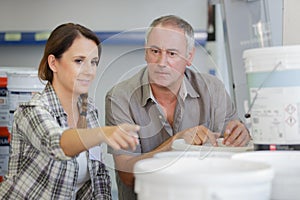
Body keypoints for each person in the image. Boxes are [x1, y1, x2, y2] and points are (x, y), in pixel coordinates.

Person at [105, 15, 251, 199]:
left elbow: (236, 154)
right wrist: (176, 144)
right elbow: (126, 174)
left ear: (189, 57)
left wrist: (241, 135)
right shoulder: (119, 97)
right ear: (145, 52)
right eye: (155, 51)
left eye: (172, 54)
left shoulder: (213, 90)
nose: (161, 63)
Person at [0, 23, 139, 199]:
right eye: (79, 61)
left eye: (94, 62)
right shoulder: (32, 111)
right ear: (53, 63)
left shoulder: (88, 111)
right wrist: (102, 133)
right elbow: (57, 143)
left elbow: (98, 178)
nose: (89, 71)